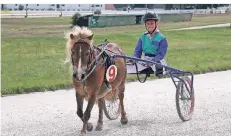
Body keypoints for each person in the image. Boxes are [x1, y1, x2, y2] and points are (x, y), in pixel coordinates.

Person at [131, 12, 168, 77]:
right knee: (130, 66)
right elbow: (137, 51)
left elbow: (161, 54)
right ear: (145, 25)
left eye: (152, 23)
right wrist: (134, 58)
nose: (150, 25)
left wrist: (153, 61)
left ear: (156, 24)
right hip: (145, 59)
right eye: (148, 24)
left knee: (159, 68)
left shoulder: (161, 38)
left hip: (157, 60)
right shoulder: (143, 37)